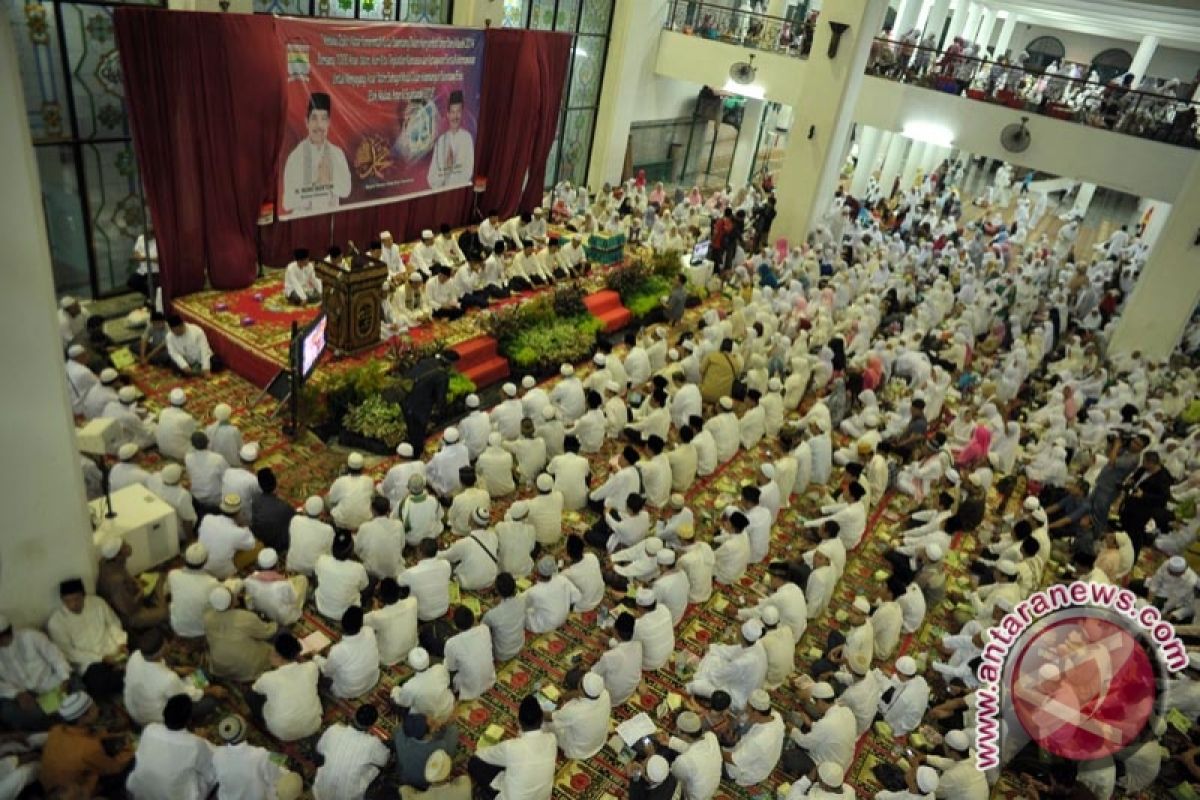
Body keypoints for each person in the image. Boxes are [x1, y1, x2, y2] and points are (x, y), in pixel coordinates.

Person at [38, 691, 133, 798]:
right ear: (84, 718)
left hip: (51, 787)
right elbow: (115, 767)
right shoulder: (88, 749)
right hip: (75, 792)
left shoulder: (56, 730)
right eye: (94, 707)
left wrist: (111, 734)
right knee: (129, 763)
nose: (97, 708)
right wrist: (129, 746)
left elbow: (92, 734)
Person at [45, 578, 126, 698]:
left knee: (139, 655)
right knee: (98, 683)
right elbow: (69, 652)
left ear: (84, 595)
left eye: (77, 599)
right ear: (62, 601)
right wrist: (102, 658)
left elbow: (113, 623)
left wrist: (121, 643)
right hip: (89, 663)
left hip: (112, 649)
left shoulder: (97, 603)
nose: (73, 605)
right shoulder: (56, 621)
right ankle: (123, 677)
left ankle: (122, 675)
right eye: (68, 601)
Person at [126, 694, 217, 800]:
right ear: (189, 720)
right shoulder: (195, 744)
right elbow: (211, 773)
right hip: (174, 797)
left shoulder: (150, 729)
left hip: (140, 792)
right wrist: (203, 741)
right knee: (213, 771)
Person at [469, 694, 557, 800]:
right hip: (542, 797)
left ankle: (488, 795)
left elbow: (481, 754)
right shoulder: (552, 739)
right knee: (513, 762)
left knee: (474, 763)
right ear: (541, 720)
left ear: (519, 723)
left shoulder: (511, 747)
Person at [282, 92, 352, 216]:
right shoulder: (295, 157)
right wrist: (316, 185)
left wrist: (329, 182)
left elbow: (346, 190)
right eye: (314, 118)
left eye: (323, 119)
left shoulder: (337, 154)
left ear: (329, 123)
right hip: (302, 223)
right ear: (306, 122)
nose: (319, 125)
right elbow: (287, 202)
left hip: (330, 219)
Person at [0, 613, 71, 732]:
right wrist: (17, 694)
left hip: (50, 684)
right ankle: (51, 728)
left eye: (3, 637)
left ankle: (58, 724)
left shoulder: (32, 636)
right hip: (22, 693)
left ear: (9, 631)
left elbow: (55, 656)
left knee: (75, 691)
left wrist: (65, 677)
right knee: (9, 711)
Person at [250, 632, 323, 742]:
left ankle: (259, 723)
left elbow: (255, 688)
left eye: (273, 652)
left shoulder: (268, 678)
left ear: (278, 656)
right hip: (313, 725)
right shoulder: (311, 667)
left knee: (250, 695)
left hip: (283, 733)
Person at [313, 704, 391, 800]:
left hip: (320, 792)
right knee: (375, 769)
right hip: (350, 797)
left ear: (354, 715)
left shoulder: (334, 730)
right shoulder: (373, 743)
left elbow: (319, 749)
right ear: (372, 725)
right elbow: (384, 760)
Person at [203, 585, 277, 682]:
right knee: (271, 646)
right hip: (246, 668)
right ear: (231, 601)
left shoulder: (206, 617)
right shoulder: (245, 618)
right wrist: (274, 622)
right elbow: (267, 632)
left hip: (220, 666)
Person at [212, 714, 291, 800]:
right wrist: (285, 763)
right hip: (260, 797)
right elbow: (275, 777)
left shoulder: (217, 754)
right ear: (246, 730)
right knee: (283, 767)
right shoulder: (260, 754)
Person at [96, 537, 168, 631]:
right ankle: (159, 605)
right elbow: (128, 609)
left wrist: (136, 582)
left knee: (160, 577)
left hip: (130, 592)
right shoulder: (115, 581)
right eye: (124, 546)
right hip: (131, 616)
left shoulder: (107, 560)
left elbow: (125, 574)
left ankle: (155, 603)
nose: (128, 546)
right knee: (165, 612)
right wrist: (141, 592)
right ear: (118, 556)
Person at [400, 350, 458, 452]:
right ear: (449, 364)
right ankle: (416, 455)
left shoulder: (426, 361)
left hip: (405, 399)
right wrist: (441, 412)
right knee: (418, 433)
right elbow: (441, 400)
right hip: (419, 407)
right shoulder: (442, 376)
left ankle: (410, 448)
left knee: (411, 428)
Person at [724, 689, 784, 786]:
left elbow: (734, 760)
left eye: (747, 708)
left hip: (747, 773)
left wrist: (718, 751)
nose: (745, 710)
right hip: (762, 762)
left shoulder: (759, 741)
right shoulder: (777, 717)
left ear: (756, 713)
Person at [318, 606, 380, 699]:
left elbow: (327, 672)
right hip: (371, 680)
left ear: (342, 625)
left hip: (348, 691)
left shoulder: (338, 650)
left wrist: (315, 657)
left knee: (319, 673)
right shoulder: (369, 631)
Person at [550, 669, 611, 760]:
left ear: (580, 689)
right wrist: (567, 696)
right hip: (598, 742)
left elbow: (552, 719)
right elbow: (581, 695)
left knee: (547, 723)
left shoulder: (573, 710)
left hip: (578, 751)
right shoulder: (605, 694)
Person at [392, 712, 460, 791]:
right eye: (432, 723)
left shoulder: (400, 734)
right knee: (453, 730)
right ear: (428, 733)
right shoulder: (439, 747)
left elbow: (398, 728)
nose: (434, 722)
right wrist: (445, 725)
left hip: (405, 776)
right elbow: (448, 757)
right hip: (427, 782)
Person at [198, 494, 256, 580]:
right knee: (258, 546)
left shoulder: (207, 518)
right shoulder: (238, 533)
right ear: (239, 513)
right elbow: (251, 544)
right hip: (222, 573)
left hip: (200, 565)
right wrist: (243, 525)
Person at [443, 606, 496, 700]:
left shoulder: (451, 643)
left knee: (444, 665)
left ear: (455, 625)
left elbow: (452, 668)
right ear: (473, 619)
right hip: (490, 679)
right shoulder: (485, 629)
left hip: (470, 690)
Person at [427, 89, 474, 189]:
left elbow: (468, 172)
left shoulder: (467, 138)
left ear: (462, 114)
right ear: (448, 115)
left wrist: (451, 175)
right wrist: (446, 170)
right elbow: (431, 177)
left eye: (458, 112)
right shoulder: (440, 141)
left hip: (459, 192)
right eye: (452, 112)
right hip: (441, 193)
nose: (455, 116)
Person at [328, 452, 376, 531]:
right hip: (365, 521)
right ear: (362, 468)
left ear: (348, 467)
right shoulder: (369, 481)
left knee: (326, 499)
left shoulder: (340, 481)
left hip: (342, 522)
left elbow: (332, 499)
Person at [251, 468, 295, 553]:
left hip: (262, 539)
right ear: (275, 484)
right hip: (279, 543)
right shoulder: (284, 507)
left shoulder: (255, 501)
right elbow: (294, 518)